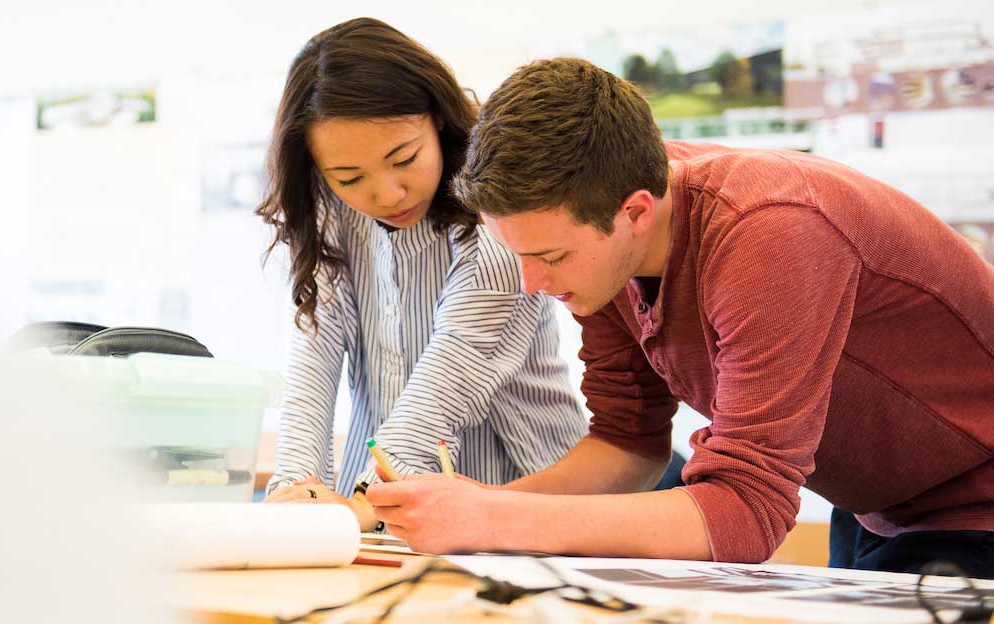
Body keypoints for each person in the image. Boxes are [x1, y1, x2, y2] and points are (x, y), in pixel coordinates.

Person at [367, 57, 994, 578]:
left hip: (975, 503)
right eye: (519, 256)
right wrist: (473, 504)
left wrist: (492, 520)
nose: (533, 284)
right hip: (874, 507)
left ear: (636, 212)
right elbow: (627, 443)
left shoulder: (769, 232)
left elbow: (747, 514)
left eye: (551, 257)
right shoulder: (609, 229)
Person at [256, 20, 593, 530]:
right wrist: (297, 485)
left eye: (404, 158)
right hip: (374, 500)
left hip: (522, 490)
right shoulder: (330, 214)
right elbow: (314, 353)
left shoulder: (499, 215)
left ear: (437, 117)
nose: (387, 194)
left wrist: (355, 508)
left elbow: (451, 371)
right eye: (349, 178)